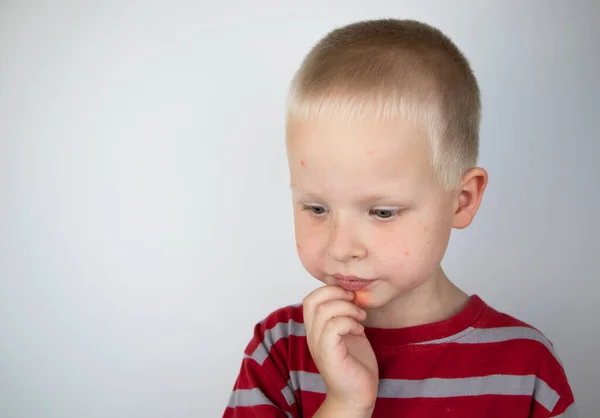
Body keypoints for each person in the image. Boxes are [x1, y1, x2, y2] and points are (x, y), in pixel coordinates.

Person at [223, 19, 576, 418]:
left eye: (382, 212)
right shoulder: (278, 352)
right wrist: (345, 404)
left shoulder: (527, 371)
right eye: (317, 208)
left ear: (461, 201)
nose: (342, 248)